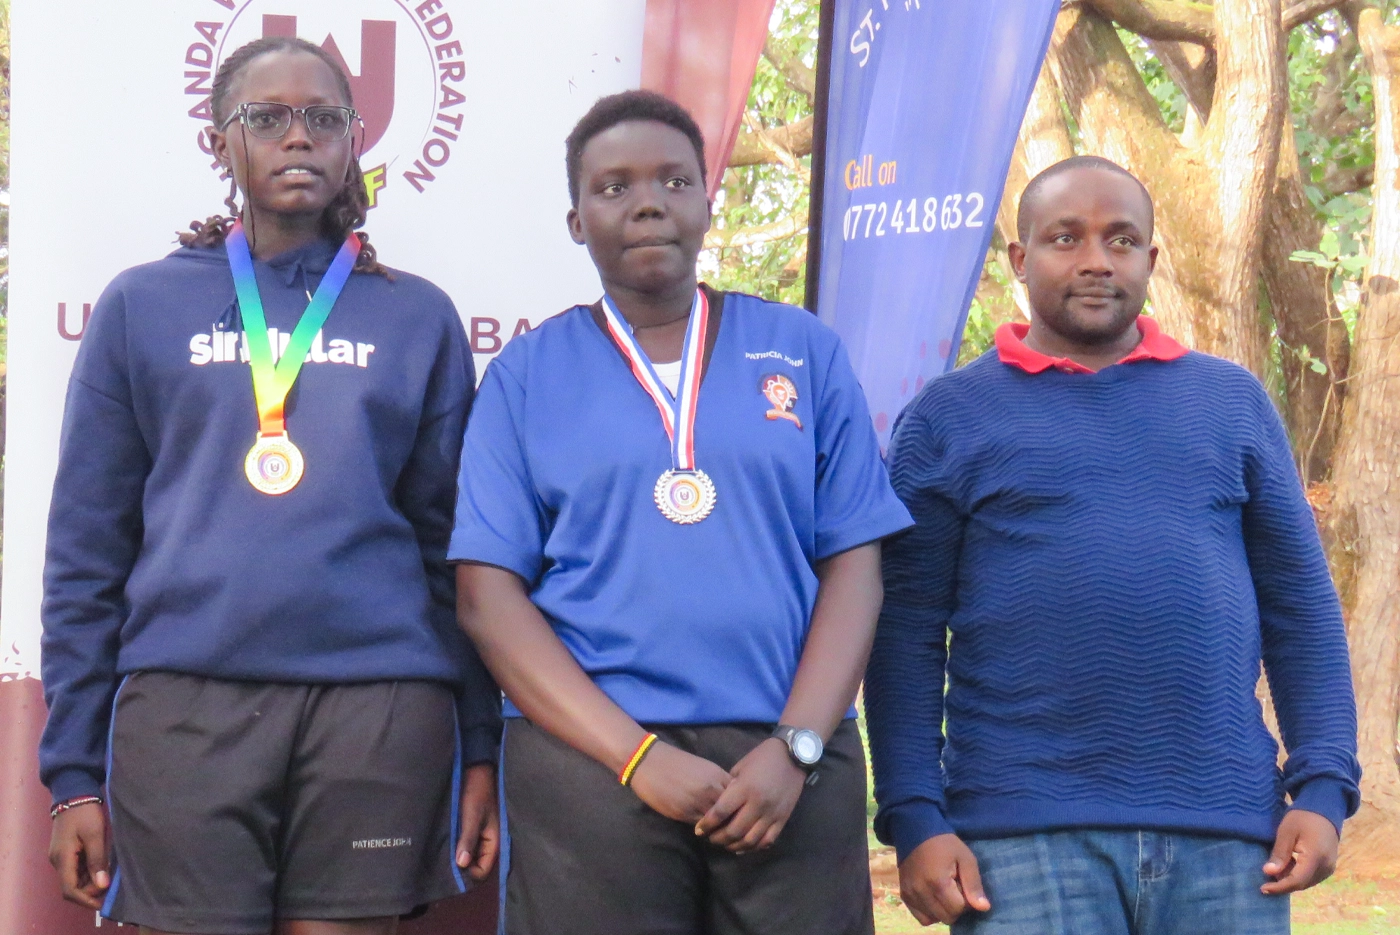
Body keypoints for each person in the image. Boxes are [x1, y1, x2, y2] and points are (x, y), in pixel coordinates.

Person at [40, 36, 500, 935]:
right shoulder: (141, 306)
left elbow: (457, 553)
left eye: (324, 118)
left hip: (378, 708)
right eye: (269, 118)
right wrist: (73, 777)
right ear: (221, 141)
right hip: (184, 707)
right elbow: (86, 553)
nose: (299, 137)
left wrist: (478, 741)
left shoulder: (417, 316)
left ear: (355, 139)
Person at [448, 90, 913, 935]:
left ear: (708, 199)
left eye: (673, 180)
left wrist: (798, 746)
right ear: (576, 221)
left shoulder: (804, 351)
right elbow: (487, 598)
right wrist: (635, 756)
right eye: (613, 187)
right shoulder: (524, 375)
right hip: (593, 761)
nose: (648, 202)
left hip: (788, 758)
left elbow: (856, 567)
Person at [865, 155, 1361, 934]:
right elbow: (904, 631)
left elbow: (1300, 608)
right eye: (1066, 238)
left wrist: (1324, 787)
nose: (1097, 259)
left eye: (1121, 239)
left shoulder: (1231, 402)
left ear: (1151, 260)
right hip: (1018, 837)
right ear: (1020, 258)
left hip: (1227, 838)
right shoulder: (949, 416)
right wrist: (915, 813)